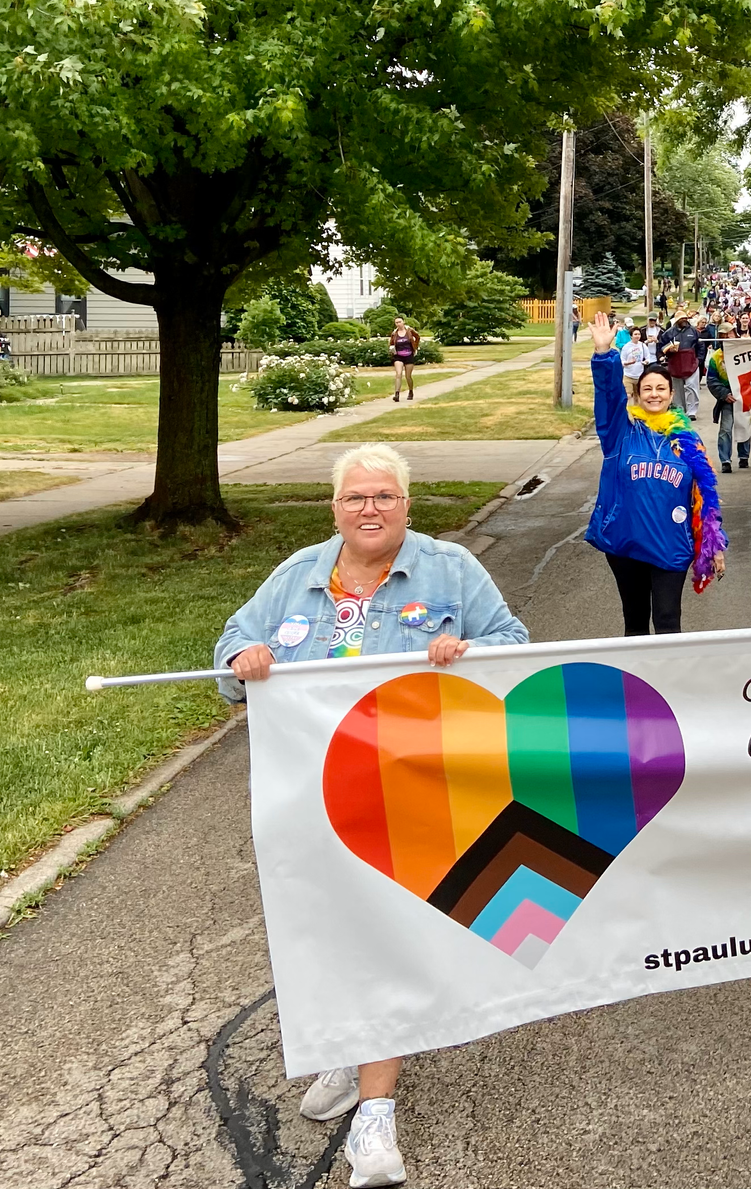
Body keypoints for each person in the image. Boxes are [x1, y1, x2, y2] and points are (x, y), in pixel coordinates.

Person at [216, 444, 527, 1188]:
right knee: (323, 928)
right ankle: (349, 1052)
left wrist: (470, 652)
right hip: (311, 795)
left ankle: (376, 1114)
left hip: (413, 789)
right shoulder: (298, 575)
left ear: (407, 505)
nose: (370, 510)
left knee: (383, 933)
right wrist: (245, 659)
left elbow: (513, 645)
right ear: (335, 507)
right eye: (356, 497)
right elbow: (230, 646)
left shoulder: (451, 570)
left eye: (384, 496)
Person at [585, 316, 725, 634]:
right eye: (647, 388)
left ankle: (669, 684)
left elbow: (705, 493)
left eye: (661, 388)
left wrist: (714, 543)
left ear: (670, 394)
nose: (654, 394)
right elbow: (608, 397)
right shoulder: (620, 432)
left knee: (667, 620)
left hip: (671, 543)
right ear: (638, 394)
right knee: (635, 622)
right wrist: (605, 353)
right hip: (626, 542)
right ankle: (637, 685)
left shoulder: (688, 439)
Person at [705, 334, 751, 474]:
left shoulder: (747, 353)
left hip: (744, 396)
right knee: (725, 429)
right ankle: (725, 460)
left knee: (744, 425)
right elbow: (711, 380)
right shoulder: (715, 358)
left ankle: (744, 456)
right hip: (727, 398)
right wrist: (724, 394)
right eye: (723, 337)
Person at [659, 315, 702, 417]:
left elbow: (700, 346)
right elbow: (661, 346)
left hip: (691, 363)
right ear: (677, 320)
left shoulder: (694, 331)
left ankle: (692, 412)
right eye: (682, 318)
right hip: (675, 363)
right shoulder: (669, 333)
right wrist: (668, 351)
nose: (684, 320)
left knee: (692, 387)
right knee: (677, 389)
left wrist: (699, 360)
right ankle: (679, 410)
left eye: (686, 318)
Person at [388, 318, 420, 403]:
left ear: (403, 322)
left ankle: (410, 391)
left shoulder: (409, 331)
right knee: (398, 374)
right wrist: (392, 349)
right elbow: (391, 343)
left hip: (409, 355)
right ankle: (397, 394)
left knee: (408, 376)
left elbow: (417, 337)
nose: (398, 324)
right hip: (398, 356)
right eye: (396, 322)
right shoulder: (394, 333)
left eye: (399, 322)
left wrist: (415, 347)